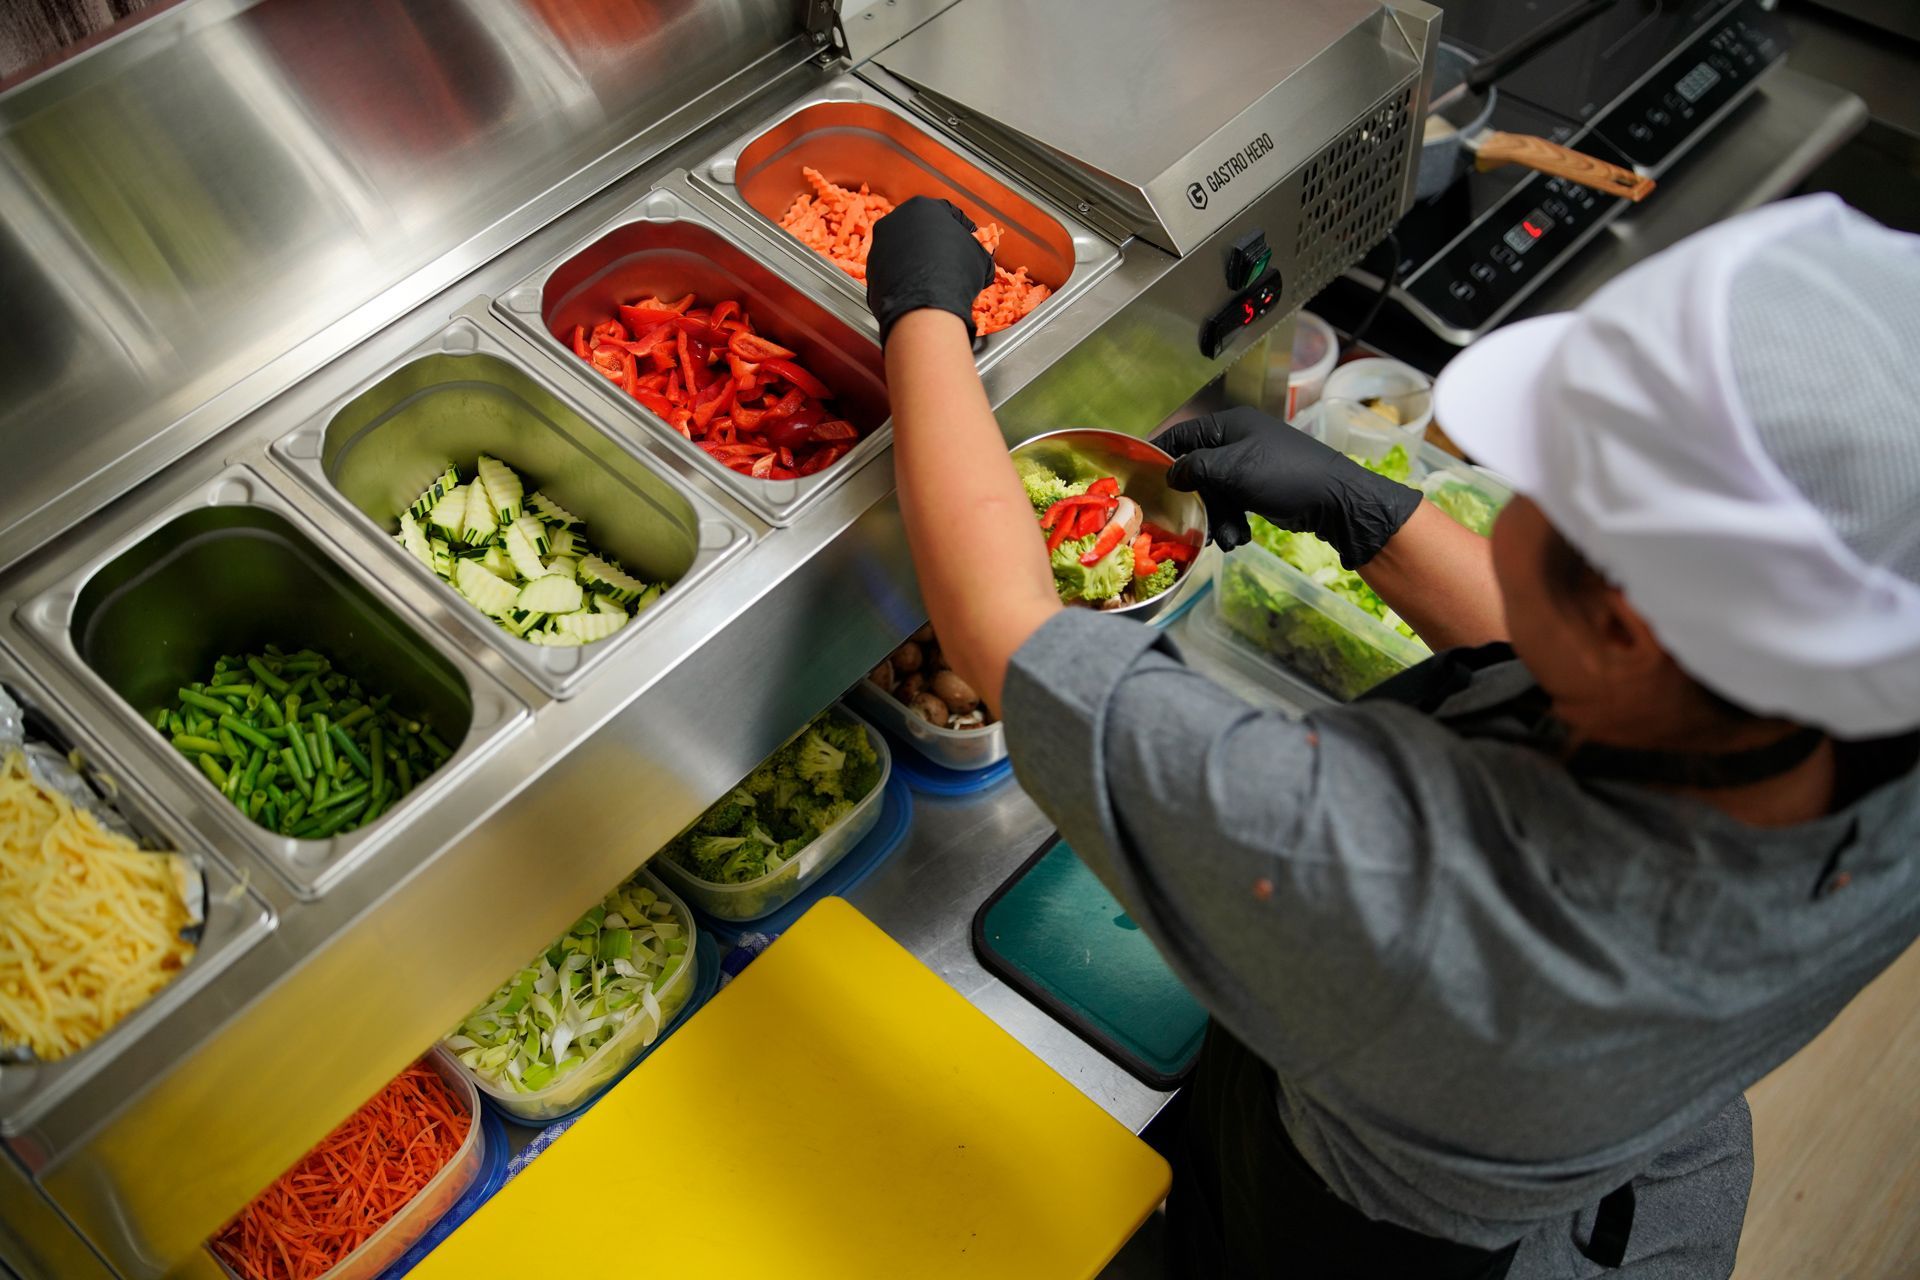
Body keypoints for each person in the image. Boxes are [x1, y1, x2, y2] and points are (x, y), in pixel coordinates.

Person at [860, 191, 1920, 1279]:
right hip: (1635, 1149)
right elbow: (1628, 676)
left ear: (1624, 622)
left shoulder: (1405, 884)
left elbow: (1009, 635)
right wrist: (1369, 514)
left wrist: (922, 314)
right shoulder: (1870, 718)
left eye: (1538, 496)